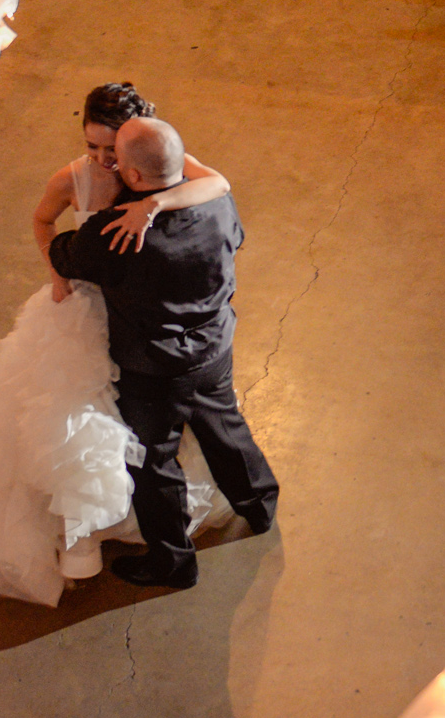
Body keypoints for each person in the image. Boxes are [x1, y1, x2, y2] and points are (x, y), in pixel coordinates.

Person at [0, 83, 238, 606]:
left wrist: (156, 204)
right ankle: (81, 541)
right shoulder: (72, 177)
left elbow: (218, 183)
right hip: (86, 311)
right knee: (75, 423)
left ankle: (141, 517)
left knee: (139, 423)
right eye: (93, 147)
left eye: (111, 149)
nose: (103, 161)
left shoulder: (153, 161)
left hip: (140, 322)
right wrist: (56, 274)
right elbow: (42, 219)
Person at [46, 116, 280, 590]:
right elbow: (235, 239)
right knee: (224, 425)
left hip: (151, 368)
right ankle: (260, 506)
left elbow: (64, 255)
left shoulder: (115, 234)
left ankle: (174, 561)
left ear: (131, 176)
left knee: (155, 460)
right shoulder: (218, 203)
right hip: (213, 346)